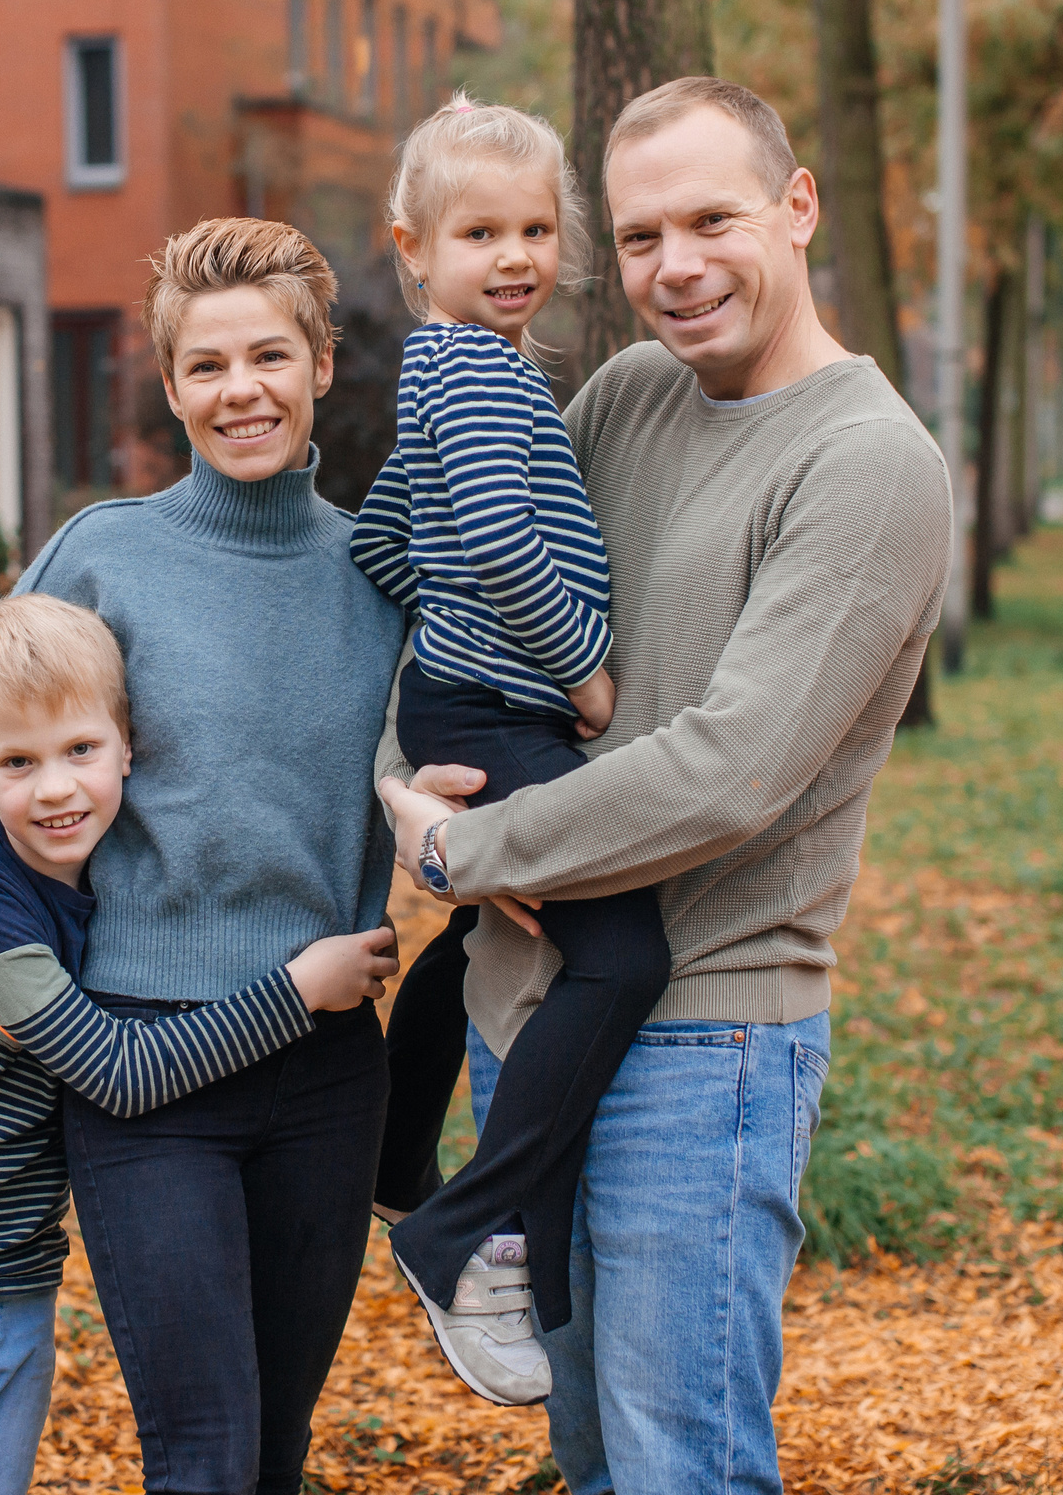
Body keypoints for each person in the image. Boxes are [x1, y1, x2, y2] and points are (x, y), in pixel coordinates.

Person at [375, 77, 952, 1494]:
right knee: (588, 1459)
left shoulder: (869, 465)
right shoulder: (629, 392)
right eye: (640, 238)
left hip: (705, 1043)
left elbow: (729, 773)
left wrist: (470, 853)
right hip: (534, 1009)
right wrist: (403, 781)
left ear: (799, 207)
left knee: (675, 1463)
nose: (676, 268)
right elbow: (468, 589)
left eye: (714, 219)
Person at [0, 218, 410, 1495]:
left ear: (319, 365)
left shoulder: (377, 571)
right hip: (142, 1065)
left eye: (267, 357)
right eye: (205, 366)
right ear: (169, 382)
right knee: (199, 1451)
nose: (238, 390)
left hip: (325, 1070)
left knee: (277, 1449)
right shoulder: (107, 551)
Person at [0, 592, 396, 1495]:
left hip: (11, 1281)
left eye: (79, 750)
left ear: (130, 744)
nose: (54, 787)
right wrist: (300, 991)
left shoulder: (99, 881)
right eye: (18, 761)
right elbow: (116, 1072)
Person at [349, 94, 669, 1408]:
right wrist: (583, 678)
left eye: (536, 226)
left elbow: (384, 536)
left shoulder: (446, 365)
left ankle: (389, 1145)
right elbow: (488, 534)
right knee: (623, 950)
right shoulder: (480, 372)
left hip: (464, 705)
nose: (515, 254)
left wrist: (438, 639)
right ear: (412, 244)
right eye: (480, 231)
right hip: (510, 712)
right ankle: (466, 1224)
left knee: (493, 927)